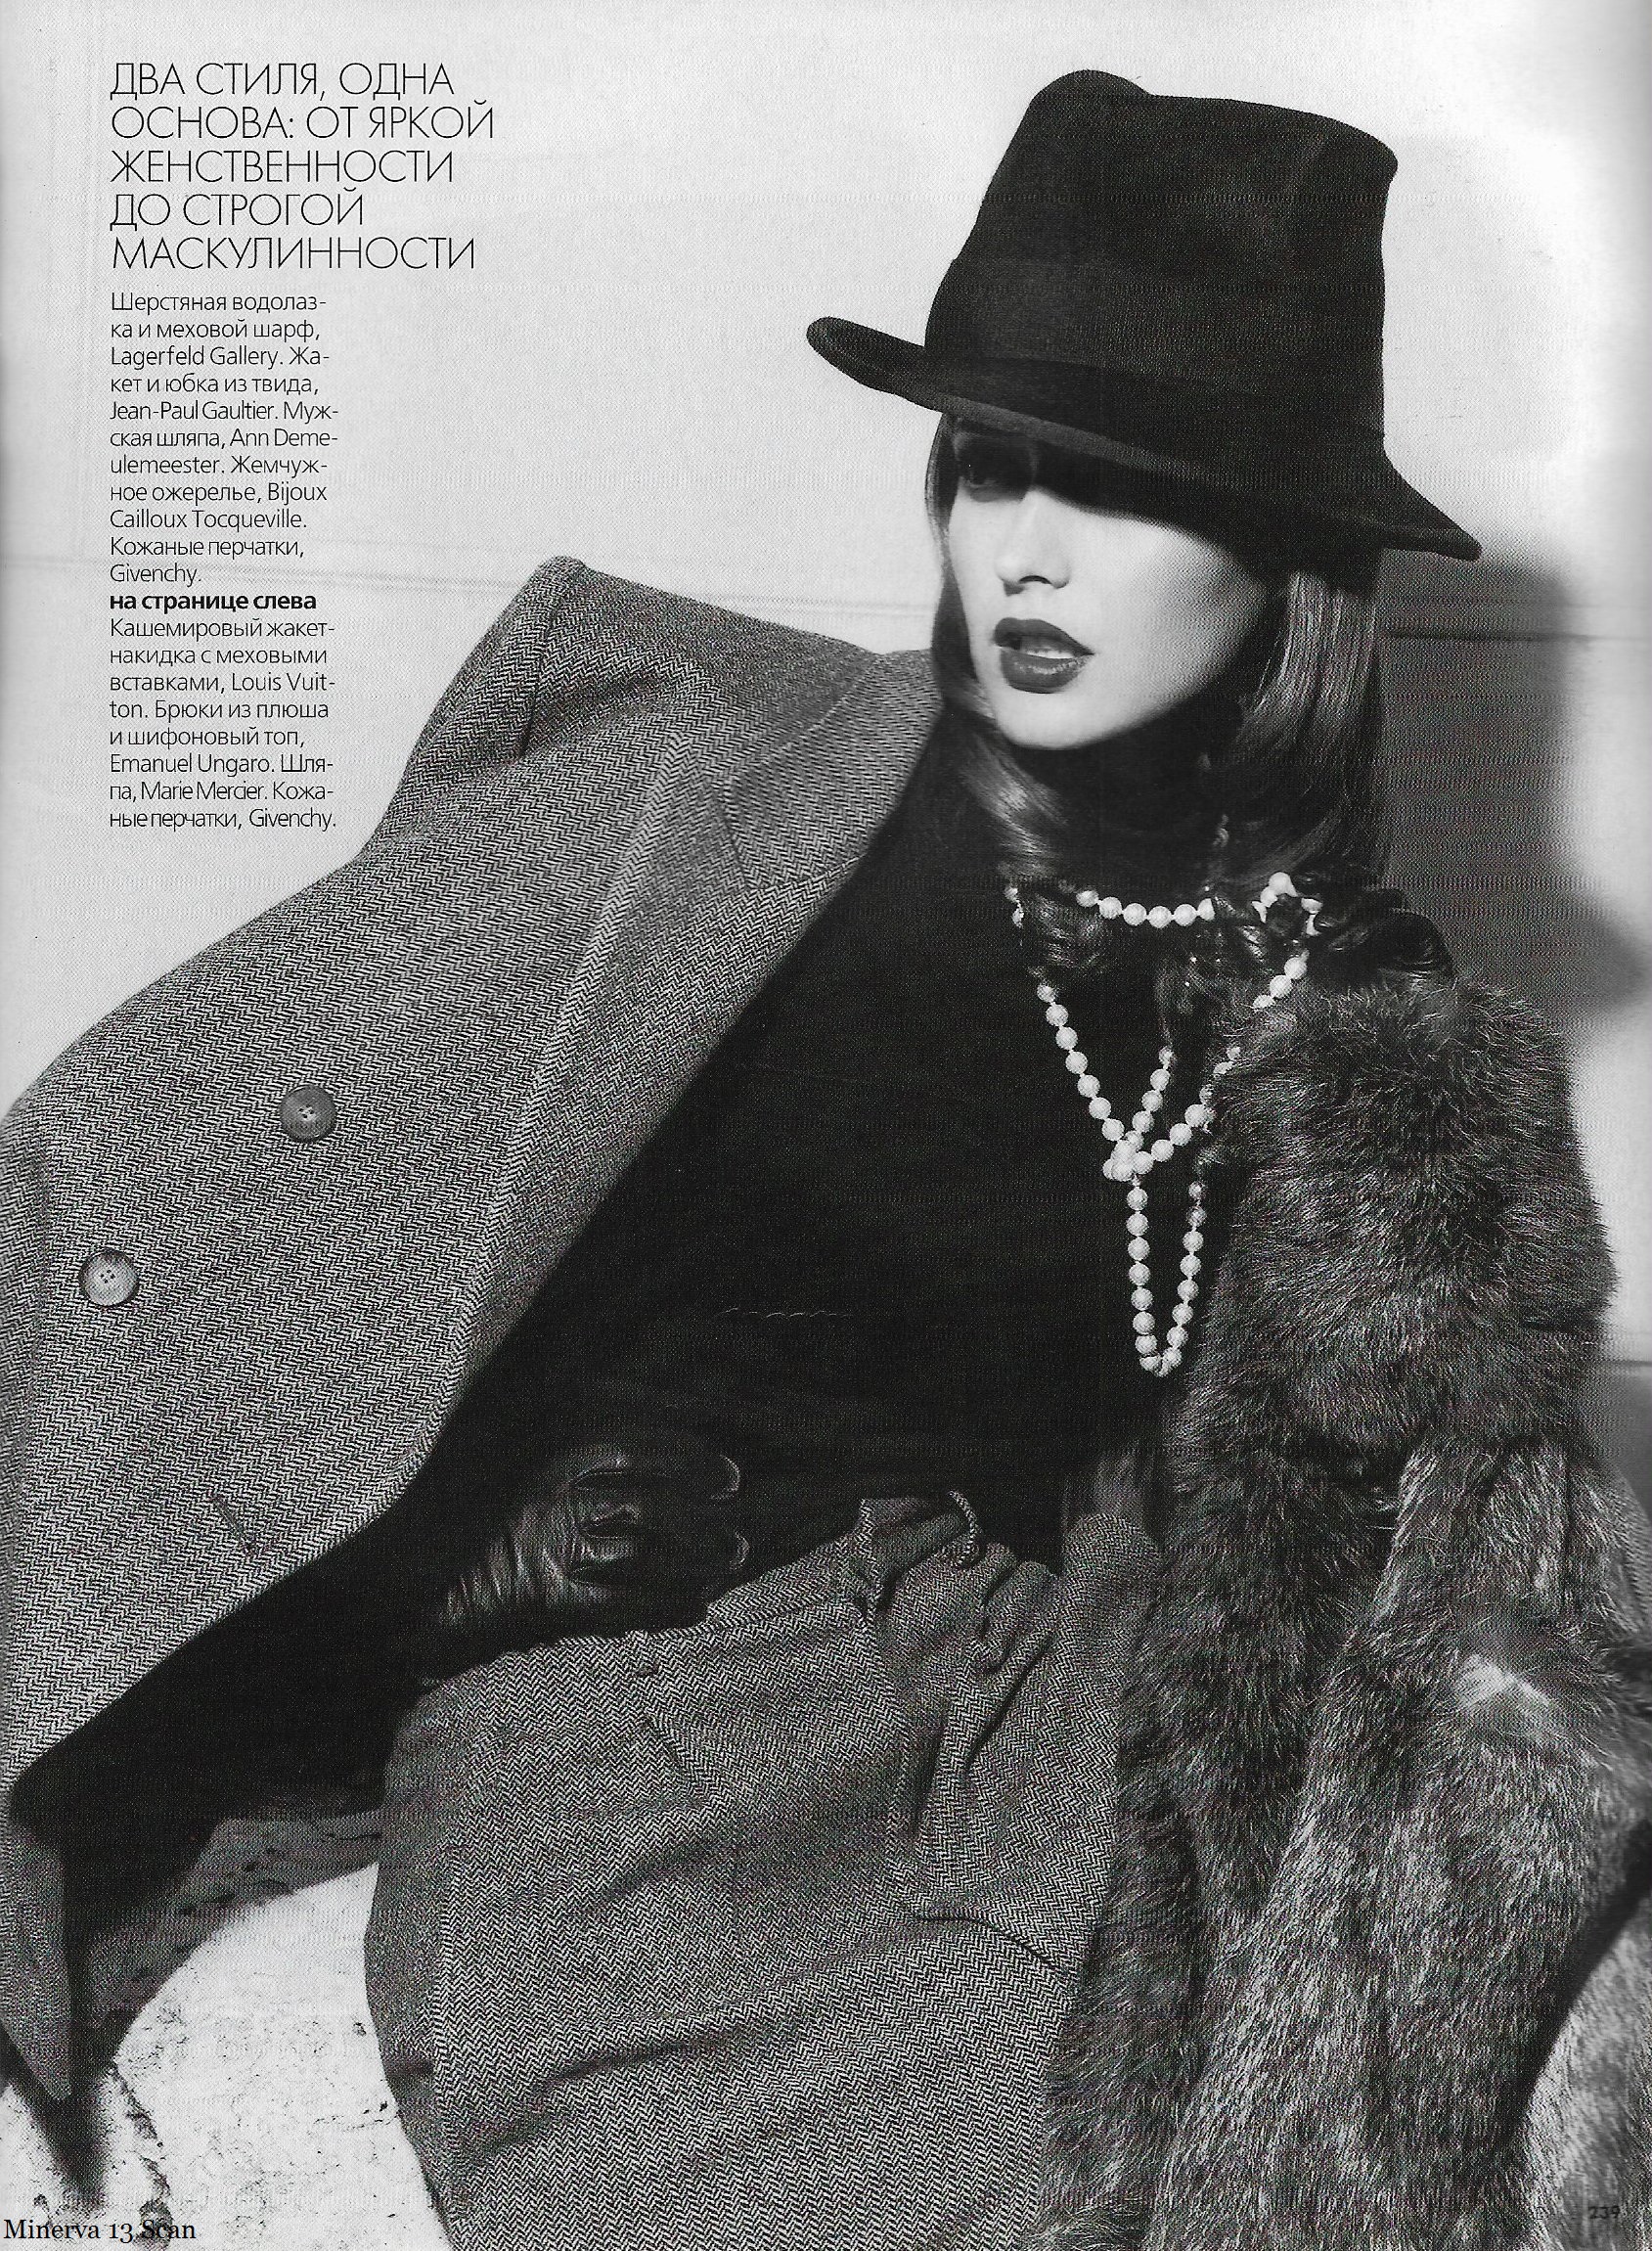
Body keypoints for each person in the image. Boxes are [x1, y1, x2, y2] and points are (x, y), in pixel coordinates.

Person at [1, 68, 1648, 2251]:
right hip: (645, 1762)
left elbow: (1412, 1543)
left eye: (1124, 491)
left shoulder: (1325, 991)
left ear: (1281, 568)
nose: (1026, 549)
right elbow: (177, 1224)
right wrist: (462, 1566)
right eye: (992, 466)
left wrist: (1388, 1118)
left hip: (1040, 1714)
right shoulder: (713, 814)